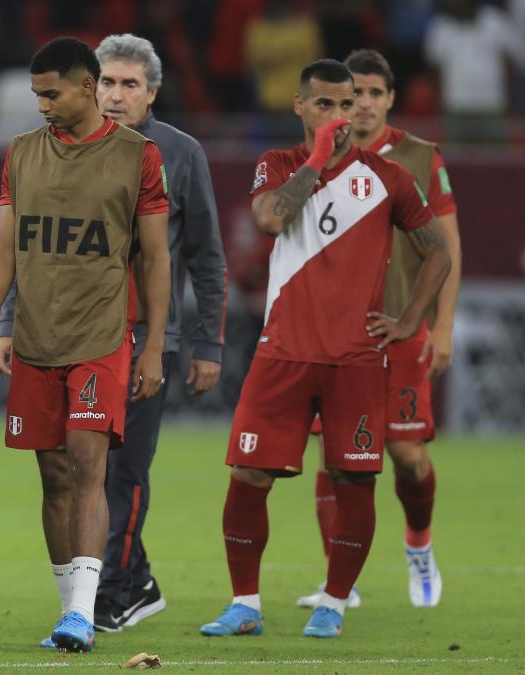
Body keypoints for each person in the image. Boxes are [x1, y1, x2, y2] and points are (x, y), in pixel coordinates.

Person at [198, 59, 450, 640]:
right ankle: (245, 605)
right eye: (327, 104)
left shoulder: (389, 178)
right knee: (248, 475)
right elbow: (268, 219)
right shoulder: (279, 165)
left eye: (349, 103)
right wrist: (316, 159)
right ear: (300, 106)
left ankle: (333, 604)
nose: (340, 114)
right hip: (282, 353)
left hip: (357, 361)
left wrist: (410, 319)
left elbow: (437, 251)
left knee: (353, 480)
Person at [0, 32, 227, 632]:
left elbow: (200, 256)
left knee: (114, 471)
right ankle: (127, 581)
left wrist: (201, 343)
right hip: (54, 332)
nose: (117, 94)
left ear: (151, 92)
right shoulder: (40, 152)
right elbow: (32, 248)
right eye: (110, 82)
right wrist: (1, 322)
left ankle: (111, 594)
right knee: (71, 471)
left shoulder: (173, 154)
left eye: (130, 84)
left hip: (143, 336)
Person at [0, 37, 171, 653]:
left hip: (100, 337)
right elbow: (6, 245)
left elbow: (156, 257)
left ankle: (84, 614)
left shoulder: (139, 155)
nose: (41, 106)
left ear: (86, 87)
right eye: (36, 95)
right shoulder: (21, 154)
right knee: (52, 474)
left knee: (88, 466)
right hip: (34, 337)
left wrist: (154, 345)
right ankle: (70, 609)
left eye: (50, 93)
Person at [296, 49, 463, 611]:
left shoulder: (419, 156)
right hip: (335, 332)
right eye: (353, 94)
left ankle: (419, 544)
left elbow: (448, 248)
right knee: (333, 456)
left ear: (390, 98)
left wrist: (441, 324)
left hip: (401, 329)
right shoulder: (321, 156)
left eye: (372, 93)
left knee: (407, 454)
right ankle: (338, 580)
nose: (361, 104)